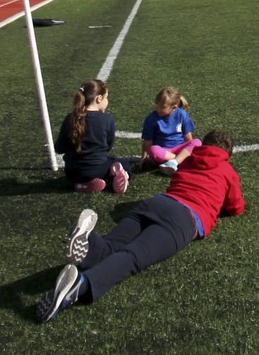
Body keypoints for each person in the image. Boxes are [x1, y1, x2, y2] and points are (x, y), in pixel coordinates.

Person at [37, 129, 244, 323]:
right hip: (185, 217)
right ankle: (80, 285)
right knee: (133, 257)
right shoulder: (227, 170)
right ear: (228, 154)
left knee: (112, 244)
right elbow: (235, 207)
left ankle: (90, 245)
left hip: (157, 202)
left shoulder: (189, 160)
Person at [54, 79, 133, 194]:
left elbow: (59, 148)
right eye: (106, 97)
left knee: (99, 165)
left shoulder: (70, 118)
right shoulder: (107, 119)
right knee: (123, 163)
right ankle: (118, 176)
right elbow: (108, 146)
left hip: (72, 172)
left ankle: (83, 185)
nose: (107, 100)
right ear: (99, 99)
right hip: (98, 169)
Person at [141, 86, 200, 173]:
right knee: (153, 150)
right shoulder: (151, 119)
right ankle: (180, 161)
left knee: (197, 142)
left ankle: (174, 162)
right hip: (163, 151)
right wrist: (144, 157)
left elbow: (188, 137)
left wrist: (191, 149)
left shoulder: (182, 115)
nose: (158, 109)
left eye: (163, 107)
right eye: (157, 105)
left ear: (174, 107)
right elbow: (147, 142)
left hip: (179, 148)